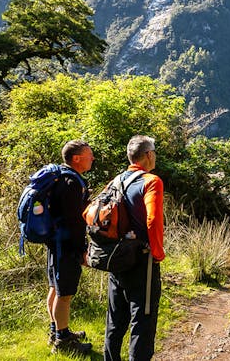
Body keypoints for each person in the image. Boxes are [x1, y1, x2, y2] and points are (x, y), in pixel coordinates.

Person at [104, 135, 165, 361]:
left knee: (115, 320)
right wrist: (158, 253)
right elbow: (153, 221)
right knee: (143, 321)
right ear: (148, 155)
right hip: (142, 260)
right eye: (154, 152)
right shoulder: (151, 181)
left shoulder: (115, 180)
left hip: (117, 257)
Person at [47, 140, 94, 354]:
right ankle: (63, 341)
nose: (92, 158)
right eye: (89, 155)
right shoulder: (71, 182)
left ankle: (56, 330)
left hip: (55, 243)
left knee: (55, 289)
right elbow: (74, 220)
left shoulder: (60, 177)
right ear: (76, 158)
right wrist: (82, 249)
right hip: (66, 246)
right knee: (64, 294)